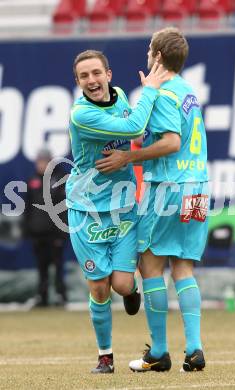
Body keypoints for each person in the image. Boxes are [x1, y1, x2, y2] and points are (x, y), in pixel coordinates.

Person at [96, 27, 209, 373]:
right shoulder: (188, 90)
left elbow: (172, 142)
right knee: (184, 267)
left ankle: (159, 351)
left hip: (168, 188)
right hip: (198, 186)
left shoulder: (162, 94)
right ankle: (194, 348)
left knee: (150, 266)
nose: (147, 52)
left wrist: (129, 158)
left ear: (157, 56)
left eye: (150, 48)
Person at [67, 50, 168, 374]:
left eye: (96, 73)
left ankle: (132, 290)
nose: (92, 81)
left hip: (123, 207)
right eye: (84, 76)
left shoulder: (121, 96)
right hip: (87, 210)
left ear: (108, 75)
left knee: (122, 286)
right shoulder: (81, 115)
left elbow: (135, 133)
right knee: (98, 287)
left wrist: (127, 152)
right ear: (78, 82)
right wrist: (150, 88)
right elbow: (133, 126)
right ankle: (105, 356)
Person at [24, 148, 68, 307]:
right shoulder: (32, 180)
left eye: (43, 161)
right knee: (41, 267)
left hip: (55, 233)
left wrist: (62, 233)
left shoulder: (60, 178)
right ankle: (42, 296)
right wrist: (27, 230)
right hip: (38, 232)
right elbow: (28, 207)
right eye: (39, 161)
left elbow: (64, 208)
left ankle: (60, 295)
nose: (40, 164)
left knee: (58, 265)